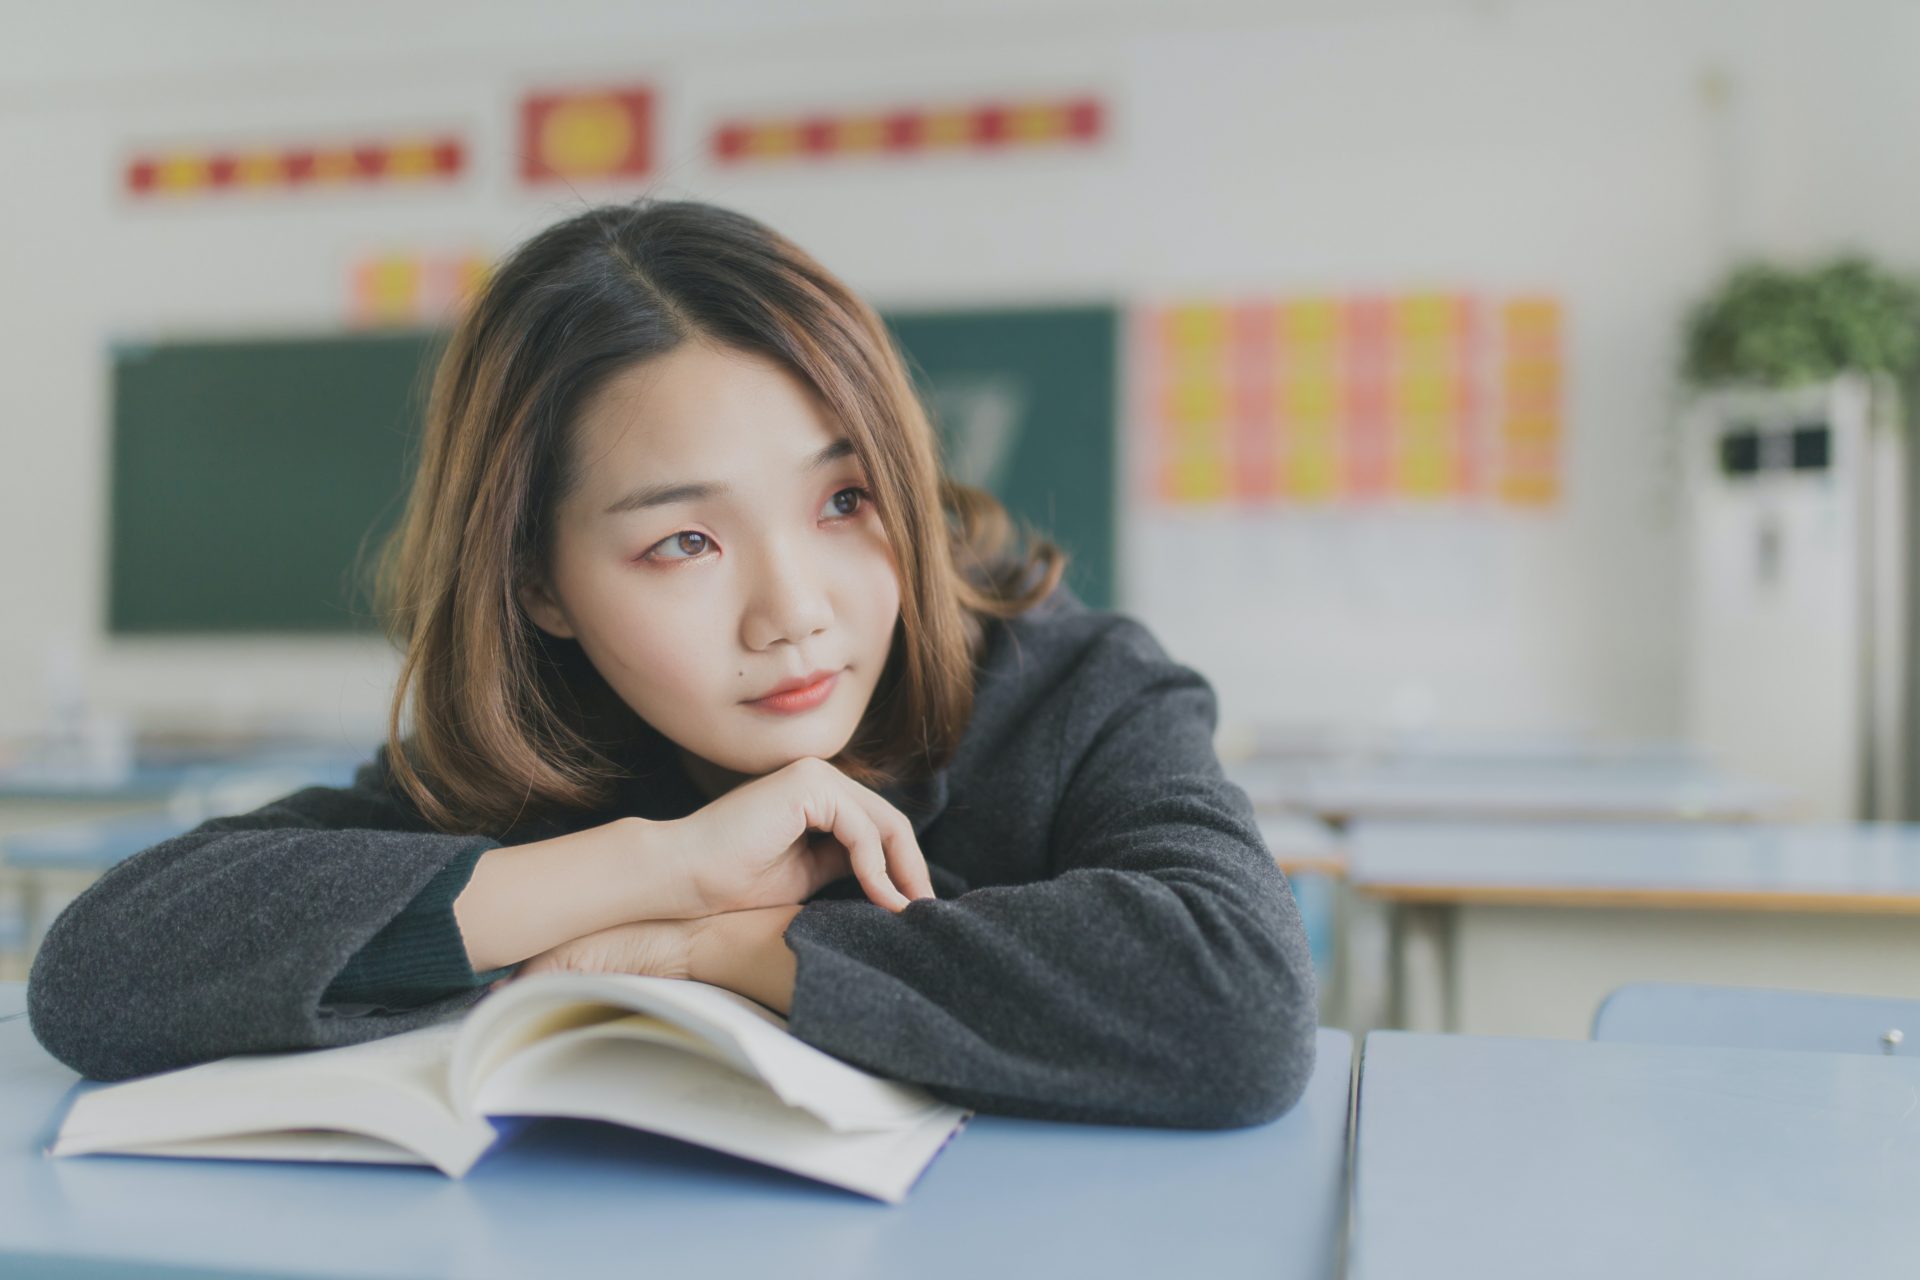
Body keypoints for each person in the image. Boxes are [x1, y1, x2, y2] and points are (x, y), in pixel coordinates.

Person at [27, 198, 1316, 1127]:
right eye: (686, 540)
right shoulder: (557, 751)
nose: (794, 613)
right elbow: (102, 972)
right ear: (538, 582)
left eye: (846, 499)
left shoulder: (1071, 691)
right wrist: (654, 867)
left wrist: (713, 951)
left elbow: (1238, 1005)